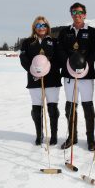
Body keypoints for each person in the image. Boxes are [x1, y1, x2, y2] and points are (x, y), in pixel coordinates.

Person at [58, 2, 95, 151]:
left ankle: (90, 140)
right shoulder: (64, 32)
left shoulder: (93, 32)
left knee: (88, 106)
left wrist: (83, 65)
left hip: (87, 75)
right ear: (71, 14)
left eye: (80, 12)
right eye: (74, 12)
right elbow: (60, 50)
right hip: (69, 74)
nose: (77, 15)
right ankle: (72, 137)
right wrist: (70, 63)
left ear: (85, 14)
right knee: (70, 106)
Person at [19, 16, 62, 145]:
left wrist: (46, 69)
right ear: (34, 27)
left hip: (52, 78)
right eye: (38, 25)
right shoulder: (27, 42)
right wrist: (33, 71)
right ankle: (39, 134)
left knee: (52, 108)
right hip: (34, 79)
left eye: (44, 25)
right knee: (36, 108)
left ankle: (54, 135)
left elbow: (59, 59)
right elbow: (23, 59)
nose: (41, 28)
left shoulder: (54, 41)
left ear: (47, 27)